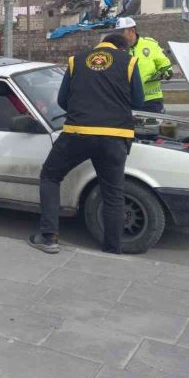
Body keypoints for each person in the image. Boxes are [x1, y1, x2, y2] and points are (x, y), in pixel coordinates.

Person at [29, 33, 144, 255]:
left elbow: (62, 100)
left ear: (100, 44)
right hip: (114, 135)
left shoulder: (77, 60)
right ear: (122, 49)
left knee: (51, 176)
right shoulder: (128, 61)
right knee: (113, 193)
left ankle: (48, 237)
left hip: (78, 133)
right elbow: (138, 101)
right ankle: (113, 248)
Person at [115, 17, 173, 113]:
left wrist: (167, 71)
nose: (118, 36)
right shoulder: (116, 49)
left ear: (132, 31)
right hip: (128, 101)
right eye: (117, 32)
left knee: (153, 127)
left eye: (121, 32)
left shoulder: (149, 44)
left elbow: (163, 62)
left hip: (152, 101)